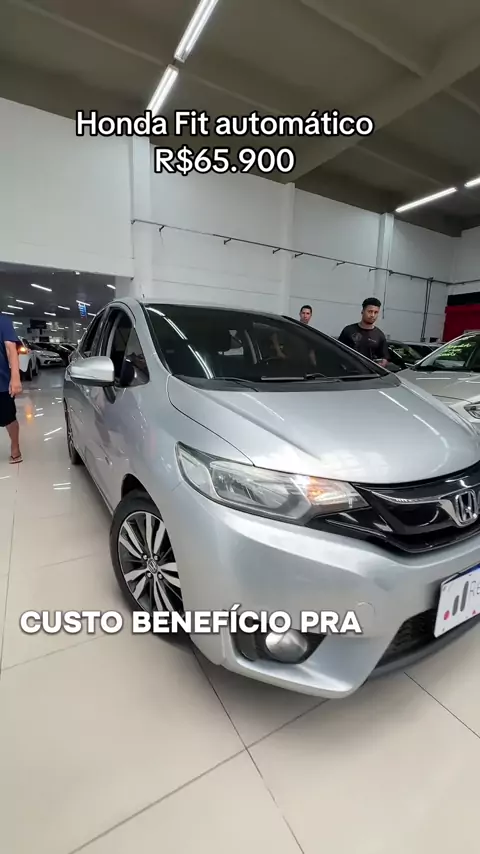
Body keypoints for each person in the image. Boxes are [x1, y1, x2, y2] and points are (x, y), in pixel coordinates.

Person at [339, 297, 389, 367]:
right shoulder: (348, 330)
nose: (372, 315)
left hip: (369, 372)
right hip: (348, 371)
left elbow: (385, 357)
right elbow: (338, 351)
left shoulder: (380, 335)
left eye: (376, 312)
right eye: (370, 311)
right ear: (362, 311)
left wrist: (383, 363)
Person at [0, 315, 23, 463]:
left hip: (1, 382)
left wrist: (15, 378)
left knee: (8, 417)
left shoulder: (3, 321)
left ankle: (15, 447)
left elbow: (11, 349)